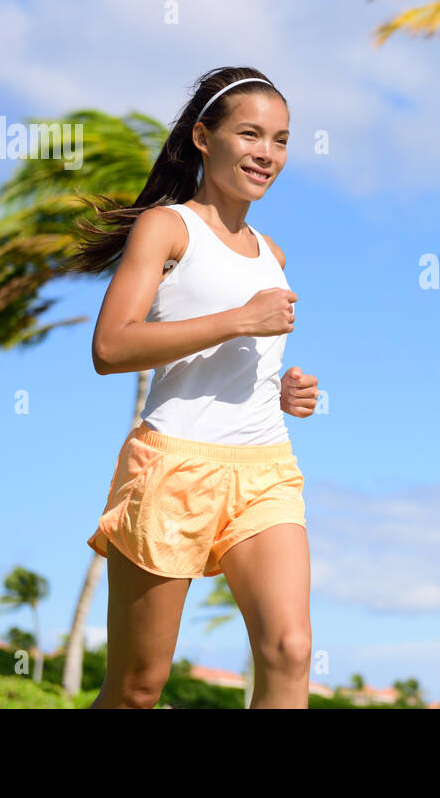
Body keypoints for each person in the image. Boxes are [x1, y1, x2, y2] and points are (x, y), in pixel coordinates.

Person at [66, 66, 319, 708]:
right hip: (173, 465)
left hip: (264, 466)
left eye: (281, 140)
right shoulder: (167, 228)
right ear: (204, 138)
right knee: (137, 688)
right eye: (251, 134)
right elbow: (111, 346)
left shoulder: (273, 252)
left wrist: (284, 389)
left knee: (290, 652)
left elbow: (245, 359)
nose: (267, 153)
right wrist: (239, 320)